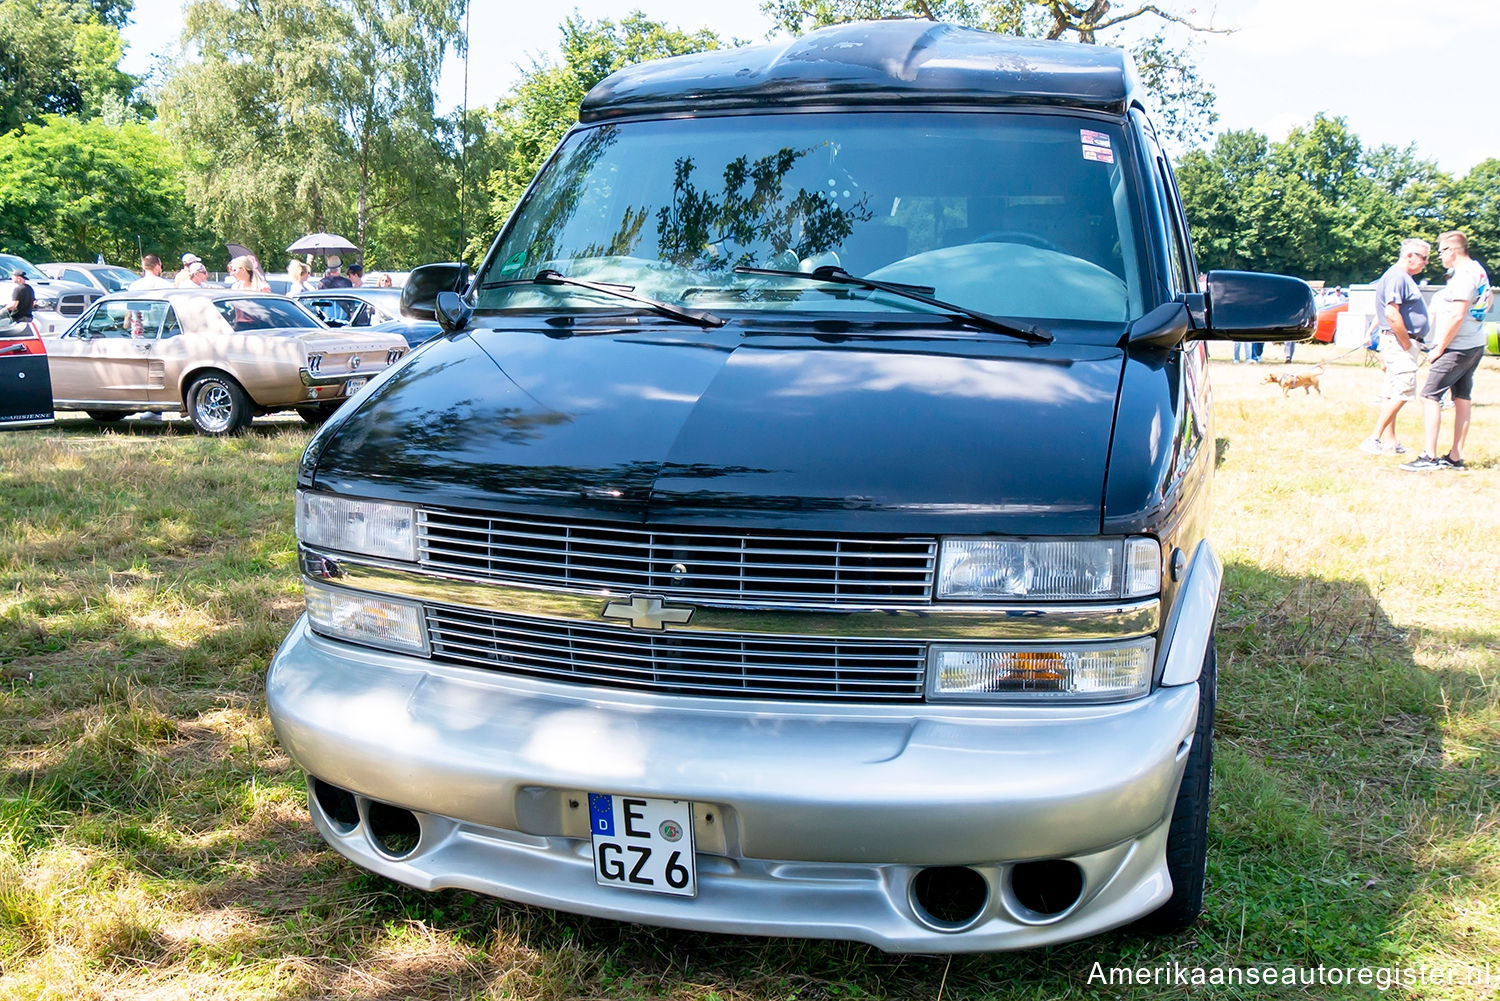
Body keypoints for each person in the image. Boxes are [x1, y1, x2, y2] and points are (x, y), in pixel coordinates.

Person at [1401, 231, 1492, 471]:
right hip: (1475, 342)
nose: (1439, 257)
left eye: (1440, 252)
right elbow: (1488, 300)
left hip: (1457, 347)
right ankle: (1455, 457)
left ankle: (1429, 456)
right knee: (1462, 398)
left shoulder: (1463, 275)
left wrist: (1439, 347)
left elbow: (1458, 314)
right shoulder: (1479, 270)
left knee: (1429, 396)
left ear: (1451, 250)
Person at [1360, 238, 1430, 456]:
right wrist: (1407, 343)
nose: (1426, 263)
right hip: (1399, 341)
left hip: (1398, 340)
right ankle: (1373, 438)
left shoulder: (1401, 277)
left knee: (1392, 392)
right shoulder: (1397, 276)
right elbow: (1391, 313)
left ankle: (1390, 442)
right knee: (1404, 390)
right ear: (1410, 256)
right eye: (1424, 258)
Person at [1, 268, 36, 333]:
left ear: (18, 278)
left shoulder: (18, 289)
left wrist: (3, 310)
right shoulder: (29, 288)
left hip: (18, 319)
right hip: (28, 318)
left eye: (13, 276)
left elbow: (14, 305)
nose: (11, 278)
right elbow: (34, 303)